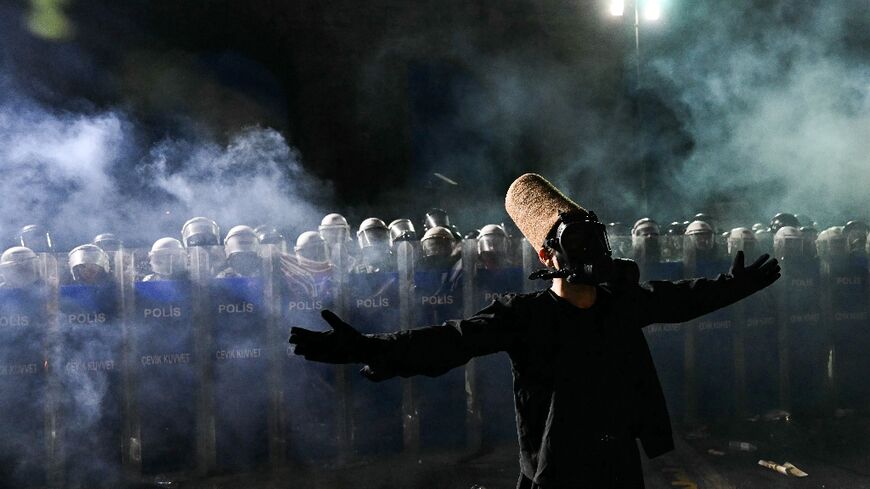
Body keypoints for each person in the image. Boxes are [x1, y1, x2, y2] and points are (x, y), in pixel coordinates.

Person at [289, 173, 781, 488]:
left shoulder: (622, 303)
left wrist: (735, 286)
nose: (589, 250)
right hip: (556, 469)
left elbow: (686, 299)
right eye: (576, 241)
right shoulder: (524, 316)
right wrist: (371, 348)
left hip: (618, 467)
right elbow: (451, 339)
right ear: (547, 256)